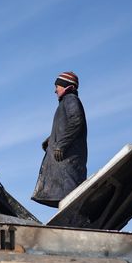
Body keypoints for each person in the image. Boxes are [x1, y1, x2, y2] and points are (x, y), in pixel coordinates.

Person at [31, 71, 88, 207]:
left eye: (57, 86)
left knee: (70, 193)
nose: (55, 90)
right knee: (66, 196)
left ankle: (72, 216)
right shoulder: (66, 103)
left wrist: (61, 144)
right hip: (66, 158)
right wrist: (51, 139)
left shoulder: (71, 100)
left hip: (68, 158)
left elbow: (76, 121)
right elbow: (66, 126)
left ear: (66, 86)